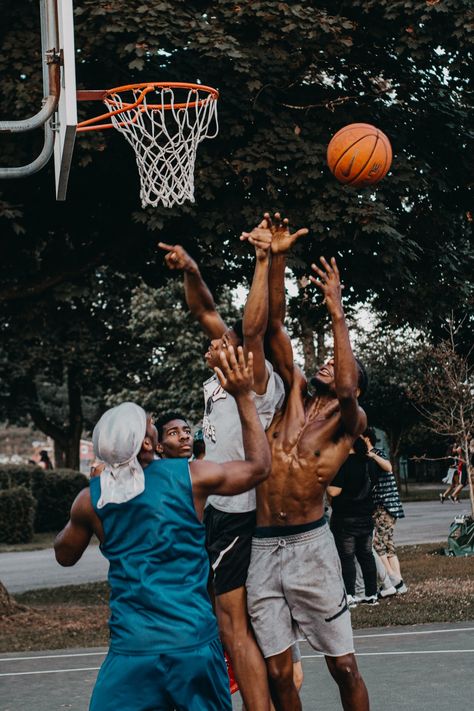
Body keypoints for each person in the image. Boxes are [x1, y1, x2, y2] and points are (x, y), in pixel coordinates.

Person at [54, 346, 271, 711]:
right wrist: (243, 397)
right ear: (146, 442)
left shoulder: (91, 500)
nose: (152, 421)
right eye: (148, 421)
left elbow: (64, 554)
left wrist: (91, 492)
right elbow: (258, 468)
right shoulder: (190, 476)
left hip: (132, 649)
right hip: (192, 642)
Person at [243, 212, 370, 711]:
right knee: (278, 672)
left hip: (311, 548)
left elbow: (344, 385)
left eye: (340, 363)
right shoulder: (289, 395)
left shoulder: (349, 424)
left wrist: (337, 310)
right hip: (262, 546)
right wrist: (276, 259)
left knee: (342, 666)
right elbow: (273, 325)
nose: (328, 363)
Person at [158, 227, 284, 711]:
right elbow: (204, 309)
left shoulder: (253, 378)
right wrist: (191, 270)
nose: (215, 339)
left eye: (225, 339)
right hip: (221, 511)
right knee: (233, 622)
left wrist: (262, 259)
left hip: (238, 512)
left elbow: (253, 328)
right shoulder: (221, 380)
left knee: (233, 624)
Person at [328, 436, 378, 608]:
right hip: (366, 517)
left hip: (345, 518)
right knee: (366, 555)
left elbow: (334, 491)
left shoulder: (343, 464)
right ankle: (372, 594)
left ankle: (350, 595)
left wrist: (325, 484)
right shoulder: (369, 463)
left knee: (347, 557)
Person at [362, 428, 407, 597]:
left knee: (377, 544)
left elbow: (388, 467)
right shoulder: (376, 454)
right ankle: (400, 583)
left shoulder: (376, 454)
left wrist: (372, 455)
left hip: (384, 507)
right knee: (388, 546)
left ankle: (394, 580)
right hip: (390, 507)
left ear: (366, 439)